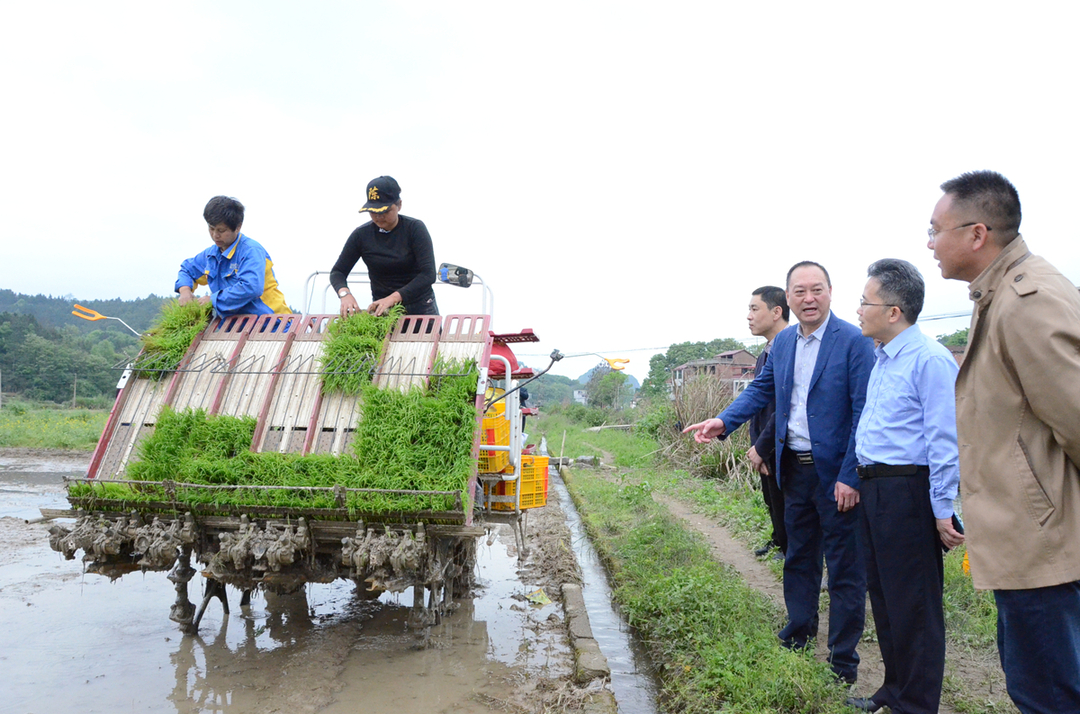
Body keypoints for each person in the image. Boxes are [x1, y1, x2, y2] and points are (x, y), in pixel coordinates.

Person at [927, 170, 1080, 713]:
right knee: (1036, 686)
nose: (929, 243)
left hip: (1045, 543)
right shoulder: (994, 295)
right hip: (1028, 540)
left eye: (936, 229)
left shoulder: (1027, 299)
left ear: (976, 234)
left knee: (1050, 694)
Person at [683, 261, 874, 684]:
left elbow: (865, 412)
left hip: (837, 477)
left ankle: (843, 660)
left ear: (830, 292)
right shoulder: (784, 342)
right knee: (799, 557)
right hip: (795, 470)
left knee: (845, 570)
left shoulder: (854, 342)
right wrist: (722, 422)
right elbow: (762, 389)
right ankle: (799, 632)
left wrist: (851, 476)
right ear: (788, 297)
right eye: (800, 291)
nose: (809, 298)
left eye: (817, 290)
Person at [846, 259, 963, 714]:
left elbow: (944, 441)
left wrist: (941, 507)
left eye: (865, 301)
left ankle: (916, 703)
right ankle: (893, 692)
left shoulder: (929, 359)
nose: (858, 309)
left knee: (914, 604)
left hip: (906, 492)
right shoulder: (882, 357)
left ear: (893, 311)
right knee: (887, 597)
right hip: (874, 489)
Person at [330, 176, 438, 317]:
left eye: (385, 211)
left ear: (399, 205)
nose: (378, 216)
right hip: (383, 310)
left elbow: (428, 274)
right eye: (373, 211)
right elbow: (337, 272)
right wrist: (345, 294)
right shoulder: (361, 235)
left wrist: (393, 298)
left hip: (420, 307)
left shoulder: (415, 229)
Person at [175, 196, 289, 317]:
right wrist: (185, 291)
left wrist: (213, 300)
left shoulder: (251, 251)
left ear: (238, 227)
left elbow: (251, 288)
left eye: (221, 230)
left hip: (271, 323)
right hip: (234, 327)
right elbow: (187, 269)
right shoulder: (211, 255)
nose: (215, 235)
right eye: (211, 228)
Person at [746, 285, 789, 559]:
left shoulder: (789, 349)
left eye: (754, 309)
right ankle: (779, 539)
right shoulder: (766, 352)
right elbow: (758, 402)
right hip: (764, 442)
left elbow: (783, 407)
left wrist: (763, 446)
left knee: (785, 500)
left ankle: (789, 548)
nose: (749, 316)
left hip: (780, 442)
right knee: (771, 498)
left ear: (776, 312)